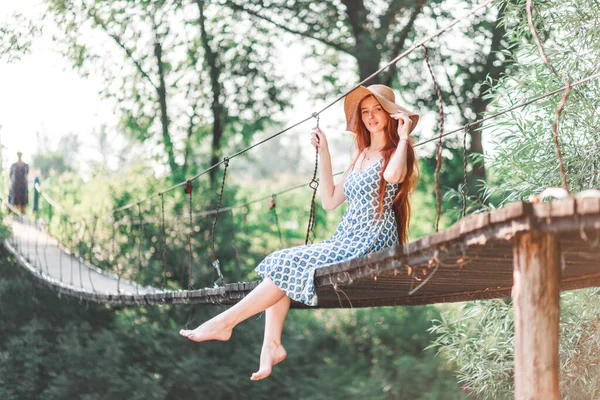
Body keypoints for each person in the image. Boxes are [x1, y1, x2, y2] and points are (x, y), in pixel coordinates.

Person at [180, 84, 419, 380]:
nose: (371, 117)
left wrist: (405, 136)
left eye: (377, 111)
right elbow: (331, 200)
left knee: (286, 264)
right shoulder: (360, 155)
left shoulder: (396, 151)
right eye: (366, 111)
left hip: (371, 239)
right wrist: (325, 151)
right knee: (282, 262)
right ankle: (271, 345)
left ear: (390, 116)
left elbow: (393, 176)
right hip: (347, 237)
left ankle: (225, 323)